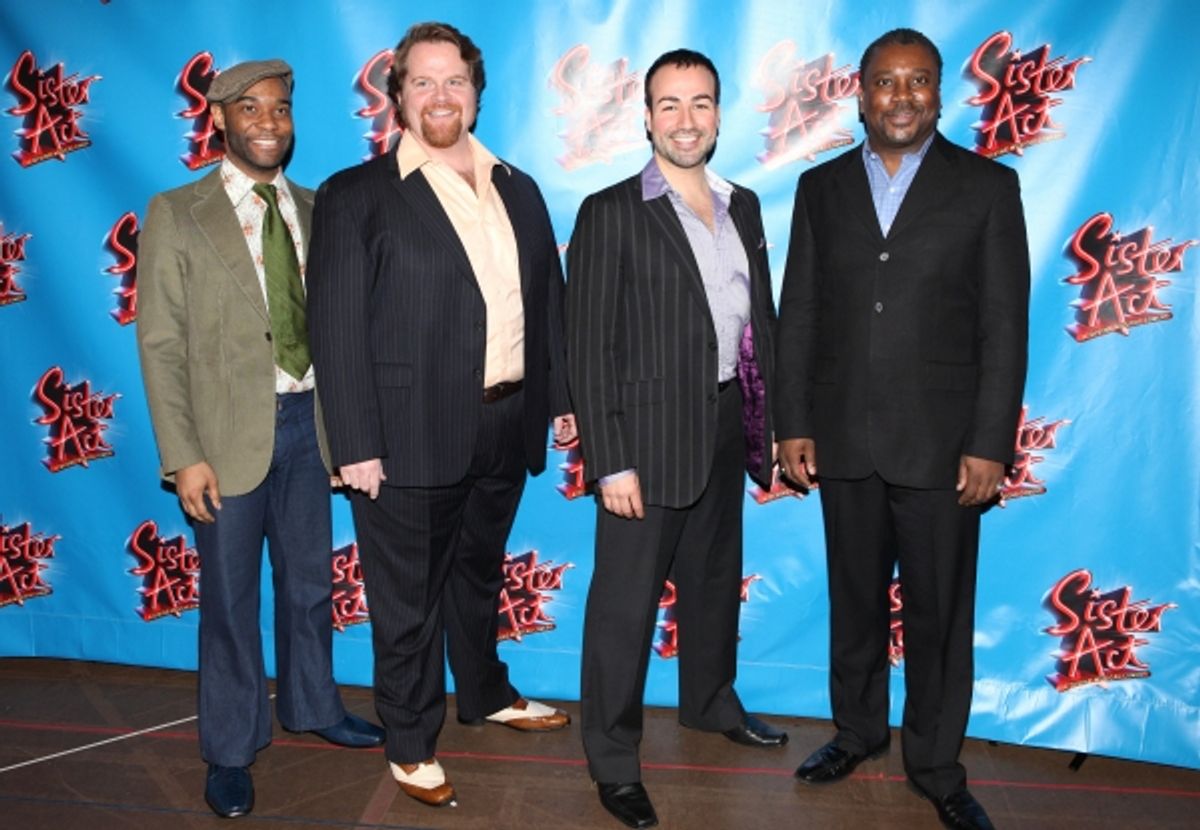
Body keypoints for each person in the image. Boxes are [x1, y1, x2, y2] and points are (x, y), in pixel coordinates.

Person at [306, 22, 576, 809]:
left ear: (477, 90)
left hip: (505, 421)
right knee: (407, 603)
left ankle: (486, 692)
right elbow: (336, 325)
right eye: (421, 82)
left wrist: (559, 402)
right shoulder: (356, 195)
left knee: (477, 577)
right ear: (395, 98)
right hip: (401, 436)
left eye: (453, 80)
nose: (439, 96)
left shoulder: (516, 186)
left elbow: (546, 303)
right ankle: (410, 738)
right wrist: (354, 441)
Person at [774, 28, 1030, 830]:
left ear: (940, 92)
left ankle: (937, 765)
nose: (902, 97)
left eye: (918, 81)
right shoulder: (820, 190)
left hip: (945, 450)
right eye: (887, 82)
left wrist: (990, 441)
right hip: (843, 440)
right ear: (861, 93)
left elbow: (1004, 326)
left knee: (938, 615)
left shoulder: (988, 188)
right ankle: (855, 733)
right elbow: (801, 314)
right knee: (854, 602)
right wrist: (792, 425)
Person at [136, 59, 385, 819]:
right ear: (219, 119)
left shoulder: (318, 209)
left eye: (280, 108)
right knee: (231, 603)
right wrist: (183, 456)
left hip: (310, 429)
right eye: (251, 109)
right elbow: (160, 343)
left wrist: (350, 435)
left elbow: (343, 332)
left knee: (310, 587)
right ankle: (231, 749)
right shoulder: (180, 212)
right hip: (225, 442)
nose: (269, 122)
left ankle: (313, 704)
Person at [566, 48, 787, 830]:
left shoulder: (746, 205)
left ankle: (709, 703)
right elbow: (586, 346)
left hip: (728, 422)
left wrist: (773, 427)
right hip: (645, 439)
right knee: (624, 610)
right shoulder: (611, 211)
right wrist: (609, 458)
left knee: (712, 581)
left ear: (720, 114)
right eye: (669, 104)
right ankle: (614, 760)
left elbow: (759, 325)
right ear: (647, 116)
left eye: (700, 103)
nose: (685, 119)